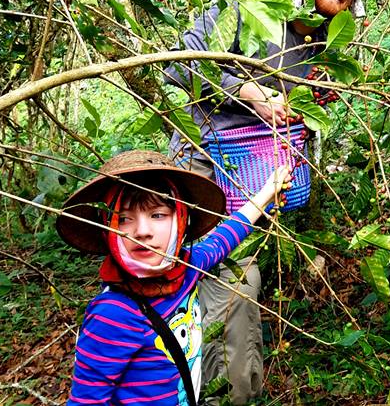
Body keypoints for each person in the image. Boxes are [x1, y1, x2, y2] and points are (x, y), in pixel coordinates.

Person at [163, 0, 372, 403]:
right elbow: (180, 67)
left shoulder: (318, 46)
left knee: (229, 288)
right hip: (201, 166)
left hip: (252, 182)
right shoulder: (251, 8)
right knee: (226, 287)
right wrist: (250, 93)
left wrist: (312, 100)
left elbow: (295, 115)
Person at [59, 150, 291, 405]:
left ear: (181, 220)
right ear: (106, 229)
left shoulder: (186, 269)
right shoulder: (113, 315)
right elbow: (86, 401)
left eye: (157, 215)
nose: (142, 232)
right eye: (123, 219)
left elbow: (224, 237)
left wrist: (268, 192)